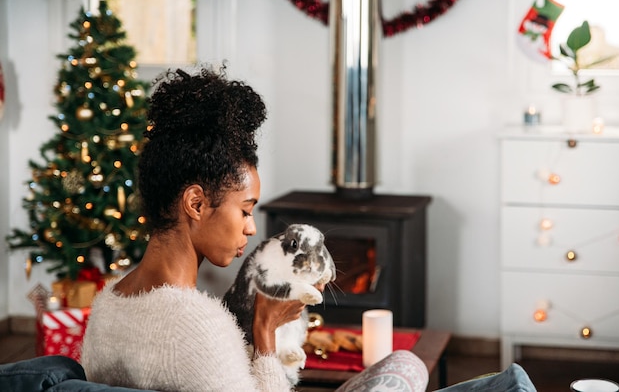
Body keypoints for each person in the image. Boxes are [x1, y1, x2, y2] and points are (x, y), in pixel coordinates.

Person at [80, 65, 430, 392]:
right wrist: (265, 330)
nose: (250, 228)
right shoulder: (199, 325)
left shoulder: (106, 305)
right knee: (407, 367)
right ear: (196, 203)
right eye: (246, 211)